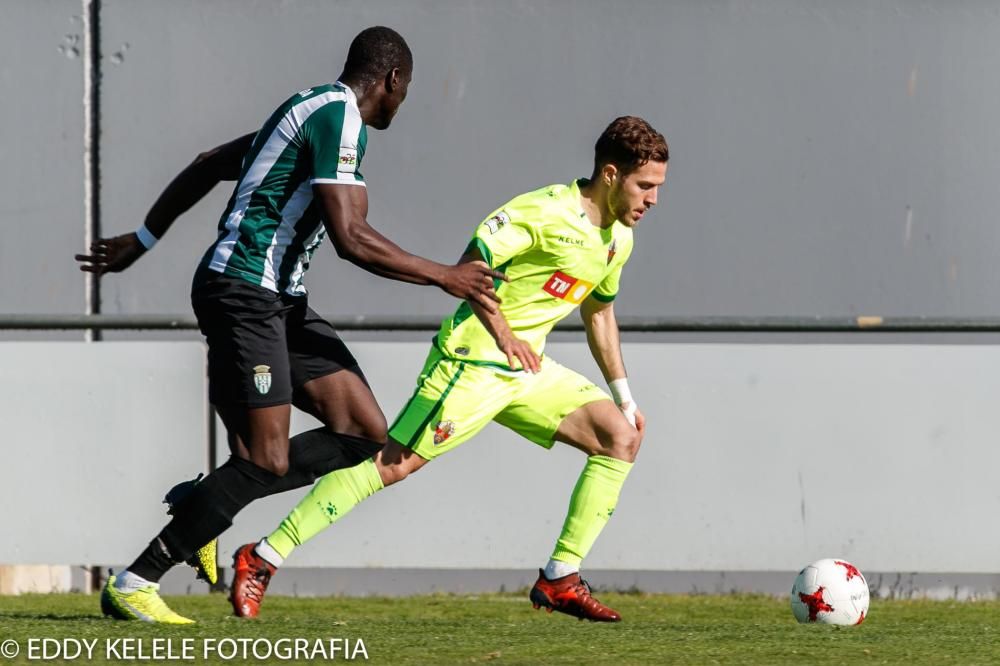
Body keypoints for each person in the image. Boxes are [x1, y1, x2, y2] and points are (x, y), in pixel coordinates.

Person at [75, 26, 506, 625]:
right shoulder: (337, 117)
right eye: (406, 92)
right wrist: (446, 276)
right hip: (243, 292)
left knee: (362, 431)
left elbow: (206, 164)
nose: (403, 104)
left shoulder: (310, 112)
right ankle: (138, 578)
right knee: (266, 459)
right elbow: (352, 238)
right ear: (393, 80)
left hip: (278, 300)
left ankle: (206, 504)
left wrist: (146, 238)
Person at [228, 116, 669, 622]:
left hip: (527, 370)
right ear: (611, 175)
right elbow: (469, 266)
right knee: (390, 465)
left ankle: (559, 578)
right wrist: (503, 336)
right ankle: (262, 556)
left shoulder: (618, 240)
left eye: (657, 187)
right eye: (646, 186)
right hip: (473, 360)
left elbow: (600, 313)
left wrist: (626, 398)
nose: (653, 199)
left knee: (621, 436)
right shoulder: (541, 212)